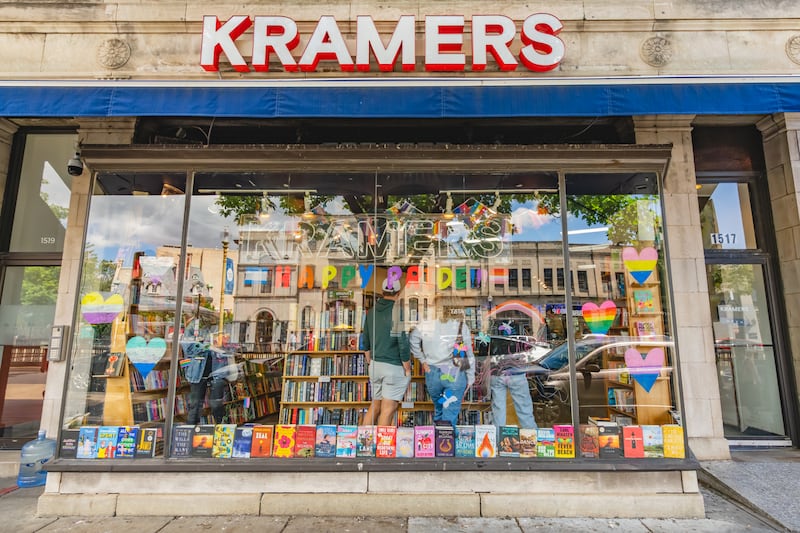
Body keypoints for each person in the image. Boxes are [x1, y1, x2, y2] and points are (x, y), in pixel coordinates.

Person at [409, 302, 476, 427]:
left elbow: (413, 340)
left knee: (439, 410)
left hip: (432, 373)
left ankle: (436, 443)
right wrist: (470, 378)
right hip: (454, 372)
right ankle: (445, 444)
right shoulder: (460, 325)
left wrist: (422, 360)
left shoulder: (426, 324)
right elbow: (469, 354)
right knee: (449, 415)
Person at [361, 278, 411, 426]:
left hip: (375, 365)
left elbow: (365, 341)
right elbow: (402, 342)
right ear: (398, 292)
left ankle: (364, 444)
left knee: (375, 405)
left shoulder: (371, 312)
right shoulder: (398, 312)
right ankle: (383, 447)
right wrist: (407, 368)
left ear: (383, 292)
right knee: (388, 408)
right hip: (393, 366)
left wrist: (371, 361)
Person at [181, 341, 238, 424]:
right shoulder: (193, 328)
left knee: (217, 405)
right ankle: (190, 432)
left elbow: (231, 347)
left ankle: (222, 433)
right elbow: (188, 348)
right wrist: (208, 346)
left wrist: (223, 347)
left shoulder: (221, 329)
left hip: (218, 371)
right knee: (195, 406)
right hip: (198, 373)